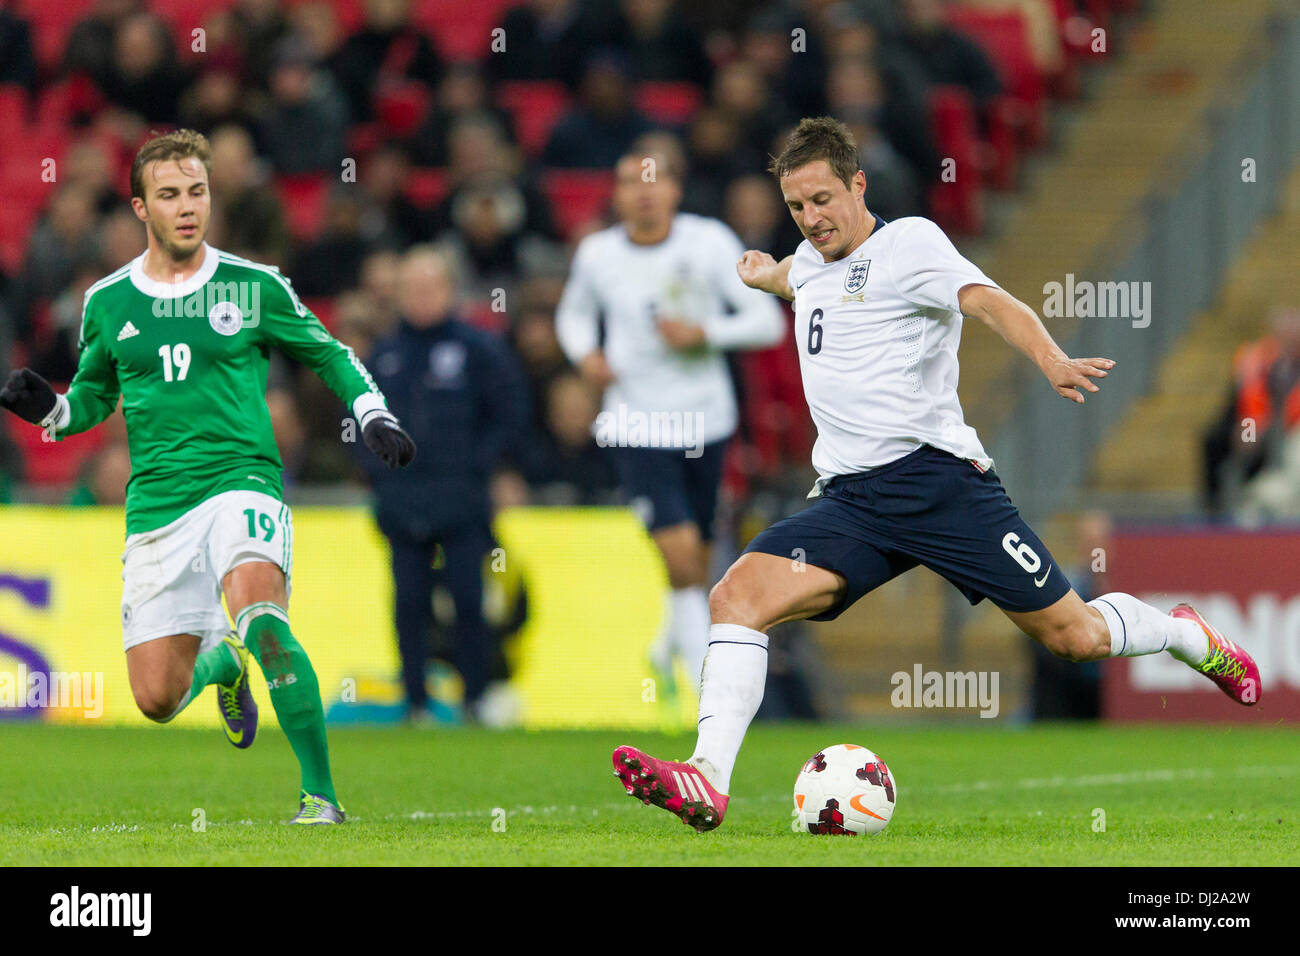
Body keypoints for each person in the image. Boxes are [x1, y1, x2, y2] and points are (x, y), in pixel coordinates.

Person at [611, 117, 1263, 832]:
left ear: (858, 184)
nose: (812, 218)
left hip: (940, 486)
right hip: (852, 502)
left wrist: (1049, 358)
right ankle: (706, 779)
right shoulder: (809, 260)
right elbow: (801, 279)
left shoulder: (910, 244)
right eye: (798, 207)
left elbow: (988, 301)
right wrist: (767, 276)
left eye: (824, 199)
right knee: (736, 596)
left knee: (1075, 638)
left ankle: (1184, 636)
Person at [0, 129, 416, 825]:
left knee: (264, 618)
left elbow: (330, 354)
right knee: (156, 699)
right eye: (170, 195)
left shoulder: (252, 286)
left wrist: (372, 413)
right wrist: (53, 409)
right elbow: (97, 397)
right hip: (159, 503)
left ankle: (321, 797)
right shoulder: (108, 301)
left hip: (241, 482)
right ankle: (222, 667)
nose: (188, 206)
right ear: (140, 208)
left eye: (197, 191)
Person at [556, 135, 784, 697]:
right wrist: (587, 355)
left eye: (655, 182)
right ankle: (704, 683)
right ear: (616, 194)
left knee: (697, 559)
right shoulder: (598, 255)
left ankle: (666, 644)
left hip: (706, 422)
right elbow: (574, 315)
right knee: (680, 551)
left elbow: (767, 321)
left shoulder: (708, 244)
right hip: (636, 423)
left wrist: (705, 332)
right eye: (631, 183)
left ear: (677, 189)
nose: (644, 195)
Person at [359, 246, 527, 723]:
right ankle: (415, 703)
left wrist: (480, 464)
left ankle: (475, 697)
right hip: (402, 498)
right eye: (411, 288)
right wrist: (378, 470)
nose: (421, 297)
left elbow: (511, 413)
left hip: (462, 500)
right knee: (408, 602)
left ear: (449, 291)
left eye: (430, 287)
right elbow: (353, 416)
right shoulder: (384, 353)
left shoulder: (480, 349)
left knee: (469, 601)